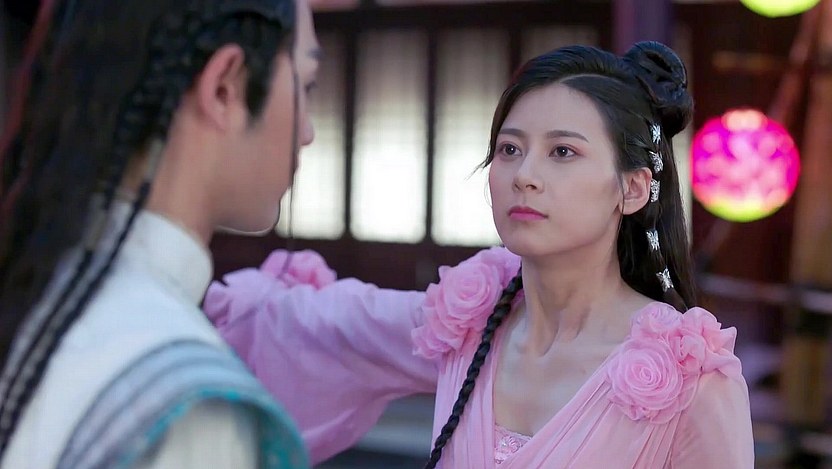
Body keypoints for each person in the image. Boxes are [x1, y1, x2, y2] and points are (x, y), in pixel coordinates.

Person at [206, 41, 755, 468]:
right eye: (509, 149)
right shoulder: (470, 323)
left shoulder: (691, 376)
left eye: (563, 151)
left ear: (632, 189)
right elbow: (332, 324)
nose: (525, 175)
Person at [0, 0, 320, 467]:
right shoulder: (190, 404)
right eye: (306, 86)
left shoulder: (32, 290)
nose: (308, 132)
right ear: (225, 87)